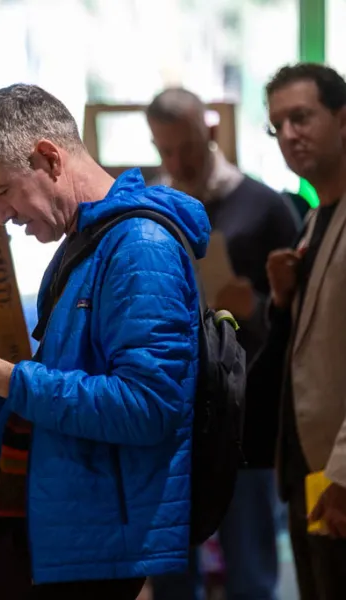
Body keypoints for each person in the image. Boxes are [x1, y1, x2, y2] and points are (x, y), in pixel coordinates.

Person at [0, 83, 210, 600]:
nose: (0, 215)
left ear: (49, 158)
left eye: (2, 191)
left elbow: (148, 406)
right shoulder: (88, 243)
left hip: (90, 545)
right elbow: (60, 391)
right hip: (61, 531)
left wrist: (4, 377)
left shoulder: (139, 249)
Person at [145, 87, 299, 600]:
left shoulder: (265, 206)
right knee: (169, 578)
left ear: (209, 133)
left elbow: (304, 317)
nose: (178, 161)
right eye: (165, 150)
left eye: (187, 146)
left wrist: (254, 303)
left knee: (251, 571)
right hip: (171, 416)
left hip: (248, 418)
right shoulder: (153, 209)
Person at [250, 62, 346, 600]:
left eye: (302, 117)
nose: (288, 134)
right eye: (278, 124)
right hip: (306, 468)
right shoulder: (314, 217)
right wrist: (284, 299)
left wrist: (343, 474)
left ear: (343, 119)